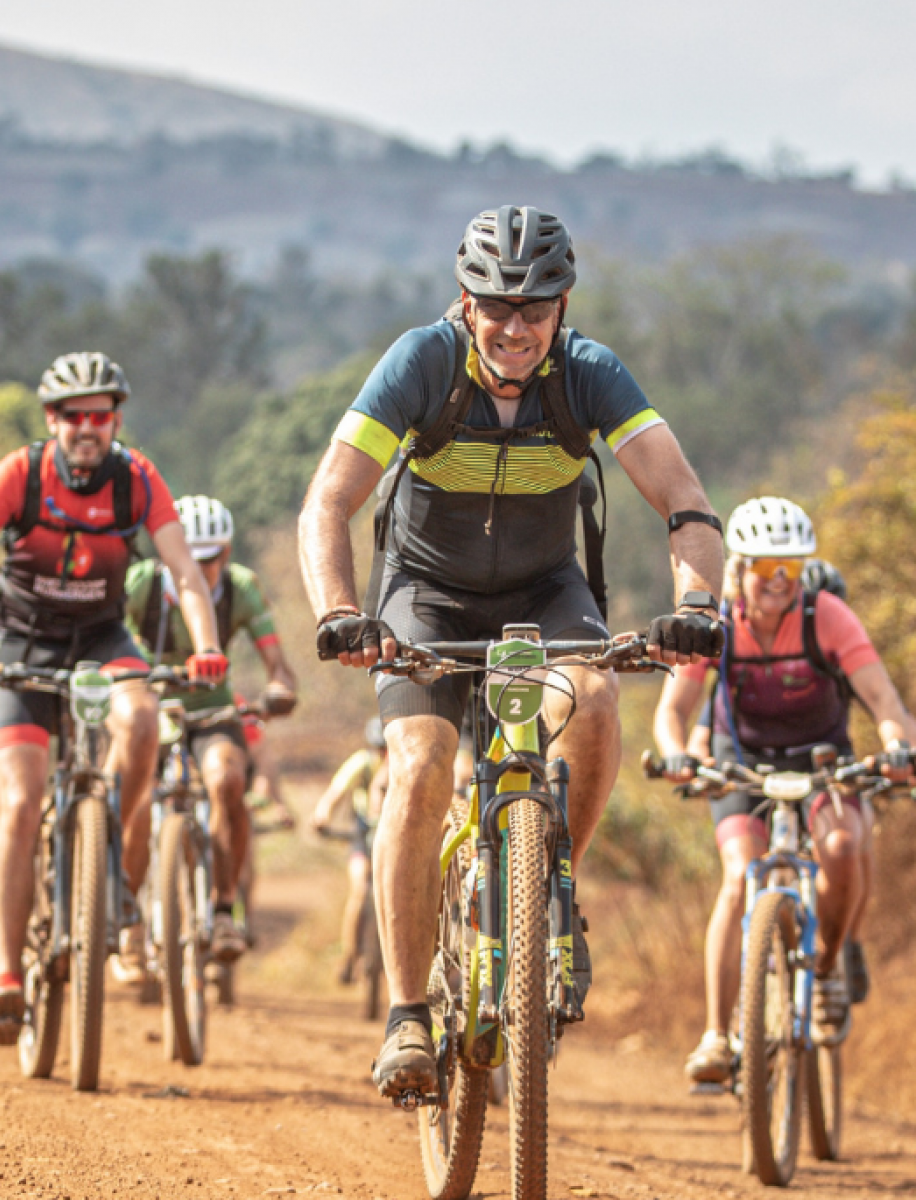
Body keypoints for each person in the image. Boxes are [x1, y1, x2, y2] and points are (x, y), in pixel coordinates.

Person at [298, 205, 725, 1100]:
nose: (517, 326)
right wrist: (340, 610)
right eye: (498, 305)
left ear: (564, 308)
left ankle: (540, 889)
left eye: (538, 307)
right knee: (419, 766)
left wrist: (697, 602)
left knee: (599, 701)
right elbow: (329, 501)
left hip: (543, 593)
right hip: (423, 594)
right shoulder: (421, 362)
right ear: (466, 301)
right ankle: (408, 1015)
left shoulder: (589, 375)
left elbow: (683, 500)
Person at [0, 351, 227, 1044]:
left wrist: (206, 643)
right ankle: (9, 977)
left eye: (100, 415)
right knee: (20, 801)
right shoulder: (21, 474)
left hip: (102, 639)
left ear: (116, 420)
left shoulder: (137, 477)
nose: (87, 427)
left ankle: (115, 880)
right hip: (20, 644)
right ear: (53, 420)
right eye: (74, 416)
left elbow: (184, 572)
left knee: (144, 720)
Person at [653, 497, 915, 1084]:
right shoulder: (718, 624)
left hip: (822, 761)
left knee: (845, 848)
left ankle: (826, 970)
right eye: (767, 567)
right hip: (740, 763)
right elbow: (675, 709)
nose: (778, 580)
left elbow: (886, 703)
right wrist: (675, 752)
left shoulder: (828, 617)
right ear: (739, 567)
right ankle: (718, 1036)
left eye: (791, 569)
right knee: (739, 874)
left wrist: (899, 745)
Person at [123, 494, 298, 965]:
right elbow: (114, 645)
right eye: (189, 558)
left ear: (227, 552)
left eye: (211, 559)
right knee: (132, 800)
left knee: (226, 781)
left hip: (212, 710)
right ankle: (127, 920)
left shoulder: (242, 589)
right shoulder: (140, 585)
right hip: (149, 706)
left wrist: (279, 688)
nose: (199, 570)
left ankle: (224, 910)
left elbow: (277, 663)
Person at [310, 718, 389, 984]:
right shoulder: (363, 763)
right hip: (364, 835)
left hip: (394, 837)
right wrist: (323, 815)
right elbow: (337, 790)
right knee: (360, 889)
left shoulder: (406, 764)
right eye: (380, 748)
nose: (384, 754)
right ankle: (349, 955)